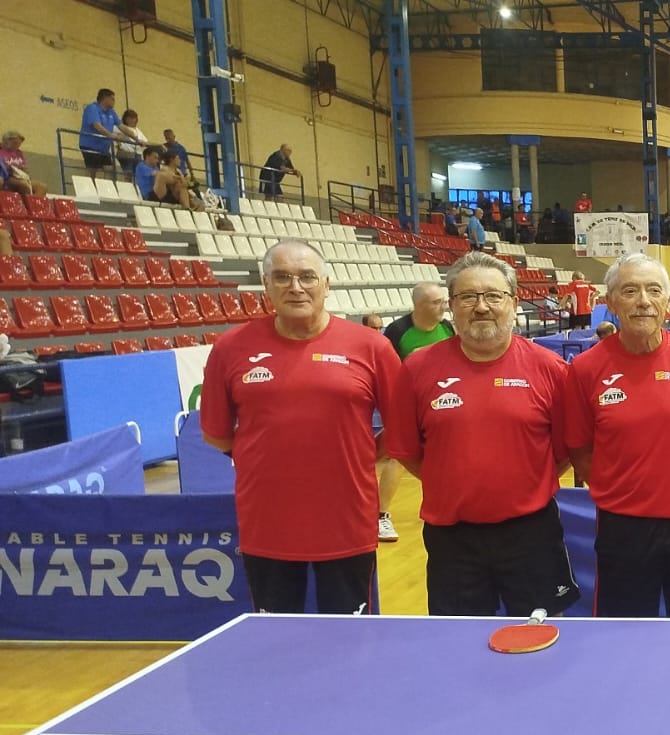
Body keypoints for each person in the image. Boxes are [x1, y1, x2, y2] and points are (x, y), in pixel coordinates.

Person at [199, 240, 402, 613]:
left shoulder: (372, 347)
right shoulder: (230, 348)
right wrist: (261, 456)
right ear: (266, 285)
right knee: (277, 638)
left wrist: (361, 454)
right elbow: (215, 432)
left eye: (307, 277)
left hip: (348, 520)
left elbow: (402, 426)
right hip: (267, 523)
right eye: (282, 277)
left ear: (326, 283)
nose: (296, 287)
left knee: (348, 638)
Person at [384, 253, 579, 617]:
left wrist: (523, 486)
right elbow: (408, 451)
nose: (481, 307)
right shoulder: (417, 369)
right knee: (458, 642)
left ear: (514, 303)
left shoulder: (550, 369)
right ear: (451, 305)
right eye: (468, 297)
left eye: (493, 296)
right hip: (452, 537)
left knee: (541, 636)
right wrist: (455, 483)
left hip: (531, 533)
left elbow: (565, 450)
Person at [566, 253, 670, 617]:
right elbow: (579, 450)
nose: (643, 301)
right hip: (623, 530)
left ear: (666, 301)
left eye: (653, 290)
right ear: (611, 303)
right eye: (630, 291)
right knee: (623, 636)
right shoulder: (585, 369)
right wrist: (624, 492)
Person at [375, 282, 455, 543]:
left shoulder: (447, 327)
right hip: (407, 404)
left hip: (442, 402)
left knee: (446, 455)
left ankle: (445, 504)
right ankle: (380, 516)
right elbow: (385, 371)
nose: (443, 307)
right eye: (436, 302)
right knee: (397, 457)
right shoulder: (397, 332)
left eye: (444, 301)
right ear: (418, 305)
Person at [78, 89, 122, 178]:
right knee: (93, 171)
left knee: (109, 170)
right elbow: (97, 125)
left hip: (104, 148)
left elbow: (122, 126)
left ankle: (106, 186)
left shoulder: (111, 112)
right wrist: (111, 135)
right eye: (112, 99)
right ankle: (90, 185)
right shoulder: (92, 108)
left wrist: (136, 138)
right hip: (91, 146)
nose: (114, 101)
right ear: (105, 98)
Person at [0, 132, 47, 196]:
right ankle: (23, 202)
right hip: (8, 178)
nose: (17, 146)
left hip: (21, 177)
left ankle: (32, 202)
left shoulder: (19, 153)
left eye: (19, 144)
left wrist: (22, 169)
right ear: (7, 141)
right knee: (24, 185)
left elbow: (25, 168)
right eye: (15, 143)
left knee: (42, 187)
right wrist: (10, 167)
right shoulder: (1, 151)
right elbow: (3, 169)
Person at [114, 109, 148, 178]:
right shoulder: (120, 127)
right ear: (125, 119)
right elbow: (116, 136)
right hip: (126, 152)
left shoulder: (137, 130)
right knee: (128, 172)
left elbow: (145, 141)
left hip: (137, 154)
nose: (132, 120)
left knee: (138, 173)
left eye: (133, 118)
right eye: (130, 118)